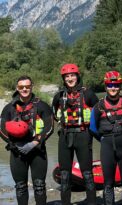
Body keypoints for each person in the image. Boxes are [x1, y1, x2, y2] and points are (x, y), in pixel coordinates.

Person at [0, 76, 54, 205]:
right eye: (21, 87)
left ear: (32, 87)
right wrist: (14, 144)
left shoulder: (42, 106)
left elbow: (50, 127)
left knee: (39, 186)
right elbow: (1, 130)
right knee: (20, 186)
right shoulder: (9, 108)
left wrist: (35, 142)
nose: (24, 89)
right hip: (17, 152)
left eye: (27, 86)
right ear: (17, 88)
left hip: (37, 150)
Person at [52, 63, 98, 205]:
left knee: (87, 174)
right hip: (65, 136)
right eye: (67, 76)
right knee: (65, 174)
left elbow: (98, 113)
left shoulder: (88, 94)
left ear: (77, 76)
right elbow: (54, 114)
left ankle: (91, 202)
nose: (70, 78)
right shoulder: (59, 95)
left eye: (72, 75)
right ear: (63, 78)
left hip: (83, 135)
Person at [89, 71, 122, 205]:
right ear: (105, 86)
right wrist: (104, 139)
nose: (113, 88)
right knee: (108, 183)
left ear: (120, 86)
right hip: (107, 146)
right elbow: (92, 128)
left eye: (116, 85)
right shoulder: (98, 107)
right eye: (110, 85)